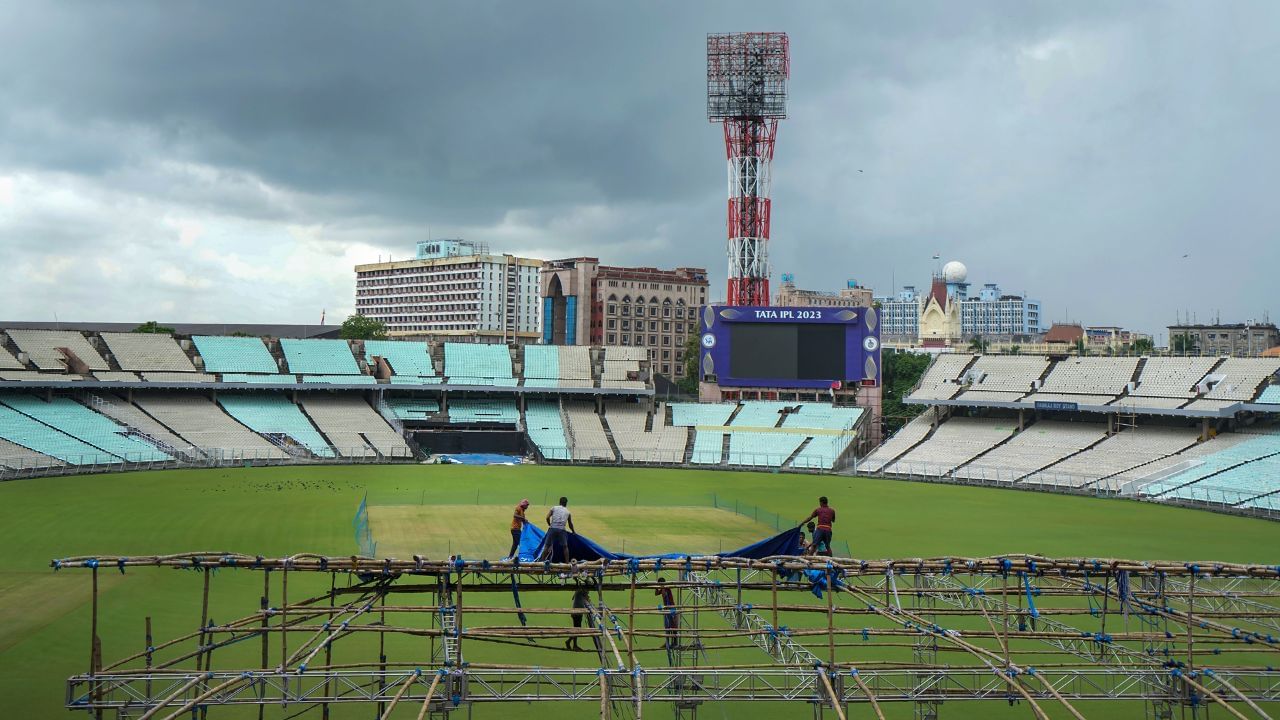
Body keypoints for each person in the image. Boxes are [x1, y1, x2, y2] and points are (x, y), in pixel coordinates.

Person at [540, 496, 575, 562]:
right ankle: (567, 563)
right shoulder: (568, 512)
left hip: (552, 528)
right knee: (565, 547)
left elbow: (547, 517)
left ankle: (542, 562)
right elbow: (570, 524)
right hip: (562, 530)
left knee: (547, 546)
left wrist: (549, 525)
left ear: (559, 502)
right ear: (566, 503)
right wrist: (573, 531)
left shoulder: (554, 508)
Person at [568, 584, 600, 652]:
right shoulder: (581, 591)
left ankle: (571, 642)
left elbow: (586, 598)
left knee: (576, 628)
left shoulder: (579, 591)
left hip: (578, 612)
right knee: (577, 629)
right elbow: (587, 597)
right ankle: (573, 644)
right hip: (577, 613)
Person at [655, 577, 679, 664]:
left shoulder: (666, 588)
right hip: (667, 609)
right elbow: (656, 593)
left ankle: (674, 642)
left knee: (673, 626)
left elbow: (664, 595)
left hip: (671, 608)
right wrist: (657, 588)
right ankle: (668, 642)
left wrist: (661, 588)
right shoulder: (663, 588)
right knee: (667, 626)